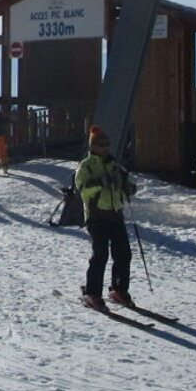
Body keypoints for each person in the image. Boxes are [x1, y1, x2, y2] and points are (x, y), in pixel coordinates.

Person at [76, 126, 136, 310]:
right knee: (100, 255)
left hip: (115, 215)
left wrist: (126, 186)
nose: (106, 148)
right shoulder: (86, 166)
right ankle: (92, 293)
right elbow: (82, 188)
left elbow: (130, 186)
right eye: (102, 145)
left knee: (123, 253)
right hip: (97, 216)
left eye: (107, 145)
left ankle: (119, 289)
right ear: (93, 146)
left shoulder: (114, 166)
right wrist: (101, 182)